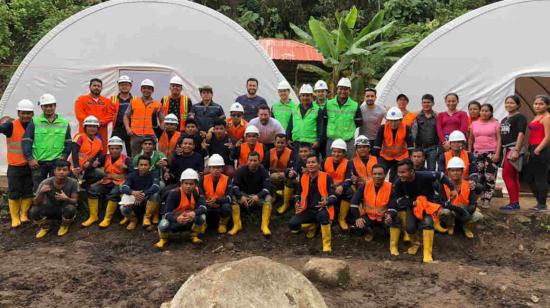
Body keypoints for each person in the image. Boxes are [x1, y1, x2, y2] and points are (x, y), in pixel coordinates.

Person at [392, 159, 455, 263]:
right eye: (399, 172)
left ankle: (427, 253)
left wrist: (452, 188)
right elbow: (399, 199)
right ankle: (415, 244)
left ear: (412, 171)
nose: (400, 175)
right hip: (413, 205)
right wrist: (411, 203)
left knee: (427, 223)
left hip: (429, 205)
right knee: (410, 228)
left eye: (403, 172)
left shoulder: (423, 175)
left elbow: (441, 175)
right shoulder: (398, 183)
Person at [22, 94, 72, 193]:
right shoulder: (35, 121)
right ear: (41, 107)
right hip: (38, 163)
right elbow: (26, 141)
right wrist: (30, 159)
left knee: (56, 188)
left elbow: (68, 142)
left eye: (51, 105)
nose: (49, 108)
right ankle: (39, 208)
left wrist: (64, 156)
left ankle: (54, 208)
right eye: (46, 106)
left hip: (56, 163)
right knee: (38, 188)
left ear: (55, 106)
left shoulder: (64, 122)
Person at [288, 155, 336, 253]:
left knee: (323, 217)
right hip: (307, 210)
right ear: (306, 165)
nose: (311, 164)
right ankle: (314, 226)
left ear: (318, 164)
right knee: (292, 225)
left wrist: (326, 202)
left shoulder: (327, 177)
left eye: (313, 162)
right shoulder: (303, 177)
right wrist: (297, 201)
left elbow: (333, 196)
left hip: (322, 209)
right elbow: (298, 193)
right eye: (308, 162)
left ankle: (327, 244)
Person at [1, 99, 35, 228]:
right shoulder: (10, 125)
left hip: (30, 165)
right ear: (18, 113)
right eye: (23, 113)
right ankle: (14, 217)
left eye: (28, 113)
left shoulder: (34, 125)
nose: (26, 115)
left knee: (28, 191)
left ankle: (23, 214)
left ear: (32, 114)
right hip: (15, 165)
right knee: (14, 192)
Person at [155, 168, 207, 248]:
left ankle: (193, 235)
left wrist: (194, 213)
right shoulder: (173, 193)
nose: (188, 186)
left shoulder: (198, 191)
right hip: (174, 219)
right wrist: (177, 218)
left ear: (196, 184)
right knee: (163, 224)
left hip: (189, 217)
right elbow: (167, 213)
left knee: (202, 217)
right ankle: (163, 239)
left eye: (191, 184)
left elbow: (203, 207)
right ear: (181, 183)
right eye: (186, 183)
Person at [89, 136, 132, 228]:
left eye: (117, 148)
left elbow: (133, 174)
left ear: (121, 149)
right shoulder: (105, 157)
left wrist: (126, 168)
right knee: (93, 190)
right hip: (106, 181)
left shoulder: (126, 159)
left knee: (113, 194)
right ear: (109, 149)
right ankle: (93, 217)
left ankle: (107, 218)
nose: (114, 151)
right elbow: (94, 166)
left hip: (120, 182)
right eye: (112, 148)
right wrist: (93, 165)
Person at [350, 164, 399, 244]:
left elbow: (393, 207)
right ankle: (370, 231)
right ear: (371, 174)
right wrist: (357, 218)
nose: (377, 176)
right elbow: (353, 204)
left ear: (384, 174)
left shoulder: (390, 187)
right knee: (357, 227)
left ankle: (384, 235)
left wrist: (389, 215)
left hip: (384, 216)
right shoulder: (365, 185)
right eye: (375, 174)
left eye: (380, 174)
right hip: (369, 216)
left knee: (394, 223)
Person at [29, 160, 78, 238]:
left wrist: (66, 198)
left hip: (63, 209)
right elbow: (35, 202)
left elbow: (75, 201)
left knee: (71, 208)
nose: (61, 172)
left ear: (69, 171)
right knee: (34, 211)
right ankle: (45, 226)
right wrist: (41, 192)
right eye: (59, 170)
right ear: (54, 171)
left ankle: (64, 225)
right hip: (49, 209)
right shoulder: (45, 182)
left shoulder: (73, 182)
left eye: (64, 170)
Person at [72, 116, 106, 227]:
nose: (92, 128)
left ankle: (85, 185)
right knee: (73, 188)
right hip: (74, 168)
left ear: (97, 128)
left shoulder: (98, 141)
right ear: (85, 127)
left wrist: (93, 163)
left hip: (86, 169)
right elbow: (74, 151)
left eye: (94, 126)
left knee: (100, 174)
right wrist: (76, 167)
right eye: (89, 126)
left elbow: (99, 156)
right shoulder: (80, 136)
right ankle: (74, 210)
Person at [229, 151, 272, 236]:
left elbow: (268, 187)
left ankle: (264, 226)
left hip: (257, 196)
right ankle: (237, 225)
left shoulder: (264, 171)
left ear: (259, 161)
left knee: (269, 198)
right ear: (247, 161)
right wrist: (240, 196)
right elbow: (234, 186)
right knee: (233, 197)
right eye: (250, 160)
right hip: (244, 196)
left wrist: (258, 196)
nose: (252, 163)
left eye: (255, 160)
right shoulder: (241, 170)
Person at [440, 157, 483, 238]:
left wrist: (465, 213)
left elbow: (473, 203)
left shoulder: (469, 184)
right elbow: (442, 202)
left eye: (458, 170)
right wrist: (456, 210)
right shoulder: (443, 185)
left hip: (465, 210)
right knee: (444, 212)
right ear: (448, 172)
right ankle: (450, 225)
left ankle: (466, 227)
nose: (455, 173)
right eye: (452, 170)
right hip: (451, 212)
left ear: (462, 171)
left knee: (479, 216)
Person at [468, 104, 501, 209]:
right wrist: (469, 152)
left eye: (487, 111)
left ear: (491, 112)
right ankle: (480, 198)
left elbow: (499, 139)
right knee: (479, 177)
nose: (484, 113)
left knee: (490, 177)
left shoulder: (495, 123)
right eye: (482, 110)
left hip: (491, 153)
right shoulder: (474, 124)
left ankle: (487, 200)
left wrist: (497, 153)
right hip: (477, 153)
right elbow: (470, 139)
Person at [131, 137, 167, 228]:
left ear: (154, 145)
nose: (148, 146)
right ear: (142, 146)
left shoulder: (159, 155)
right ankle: (147, 215)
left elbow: (166, 162)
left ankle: (154, 214)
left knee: (160, 186)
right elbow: (136, 173)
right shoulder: (137, 158)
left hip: (156, 181)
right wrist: (155, 166)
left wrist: (164, 164)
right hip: (142, 182)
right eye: (145, 144)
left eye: (150, 144)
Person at [499, 95, 527, 211]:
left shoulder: (520, 117)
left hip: (513, 149)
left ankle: (514, 202)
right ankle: (515, 202)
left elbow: (521, 133)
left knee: (507, 175)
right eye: (507, 102)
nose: (509, 105)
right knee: (513, 176)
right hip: (506, 149)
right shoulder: (504, 119)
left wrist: (516, 150)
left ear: (518, 105)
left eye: (512, 103)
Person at [372, 107, 414, 182]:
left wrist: (410, 160)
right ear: (387, 120)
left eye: (396, 121)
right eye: (391, 121)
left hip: (401, 156)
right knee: (379, 175)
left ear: (400, 120)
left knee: (397, 179)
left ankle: (395, 192)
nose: (393, 123)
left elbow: (410, 146)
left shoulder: (406, 128)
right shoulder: (383, 128)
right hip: (385, 156)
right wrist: (376, 159)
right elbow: (377, 145)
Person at [124, 79, 164, 156]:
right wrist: (128, 129)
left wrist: (159, 134)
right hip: (135, 135)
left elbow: (162, 121)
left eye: (149, 88)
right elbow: (126, 116)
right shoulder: (134, 102)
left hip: (151, 136)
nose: (146, 90)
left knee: (151, 157)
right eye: (144, 88)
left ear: (152, 90)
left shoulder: (157, 104)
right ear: (141, 89)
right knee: (135, 157)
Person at [324, 78, 362, 158]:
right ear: (337, 89)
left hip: (348, 141)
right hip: (332, 140)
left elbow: (359, 123)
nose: (343, 91)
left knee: (349, 164)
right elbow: (324, 121)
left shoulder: (355, 105)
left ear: (349, 91)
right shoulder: (328, 104)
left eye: (346, 89)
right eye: (340, 89)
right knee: (330, 163)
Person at [120, 156, 160, 230]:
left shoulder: (154, 174)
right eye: (141, 165)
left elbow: (156, 186)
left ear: (150, 166)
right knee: (122, 208)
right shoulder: (132, 175)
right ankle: (133, 220)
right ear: (137, 166)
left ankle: (147, 218)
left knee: (155, 195)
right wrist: (133, 193)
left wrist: (143, 194)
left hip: (146, 199)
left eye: (146, 165)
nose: (143, 167)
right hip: (134, 199)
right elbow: (124, 186)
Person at [74, 78, 113, 153]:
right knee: (83, 150)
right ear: (90, 87)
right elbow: (79, 114)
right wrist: (92, 123)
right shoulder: (81, 99)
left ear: (101, 88)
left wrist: (102, 122)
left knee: (101, 151)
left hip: (101, 131)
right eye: (94, 85)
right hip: (85, 131)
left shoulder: (107, 101)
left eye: (99, 86)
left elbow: (110, 114)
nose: (96, 87)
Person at [525, 95, 550, 211]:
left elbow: (548, 136)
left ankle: (542, 204)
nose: (537, 106)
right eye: (536, 103)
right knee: (529, 177)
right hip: (532, 148)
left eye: (541, 104)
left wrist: (539, 148)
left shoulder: (547, 117)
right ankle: (539, 202)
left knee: (540, 177)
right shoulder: (537, 116)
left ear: (547, 105)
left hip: (541, 149)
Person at [323, 139, 354, 231]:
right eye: (334, 151)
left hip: (341, 188)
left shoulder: (348, 163)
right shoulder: (325, 161)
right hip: (327, 187)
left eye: (339, 152)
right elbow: (320, 175)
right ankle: (329, 218)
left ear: (344, 153)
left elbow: (349, 179)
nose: (336, 154)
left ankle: (342, 218)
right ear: (331, 152)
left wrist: (341, 186)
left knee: (349, 192)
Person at [286, 84, 323, 153]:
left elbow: (320, 128)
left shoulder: (317, 110)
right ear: (300, 97)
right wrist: (288, 138)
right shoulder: (294, 109)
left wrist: (318, 141)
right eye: (303, 95)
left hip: (311, 144)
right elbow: (290, 125)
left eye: (307, 95)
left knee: (310, 163)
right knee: (297, 163)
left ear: (311, 96)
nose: (305, 97)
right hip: (296, 143)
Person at [200, 154, 232, 234]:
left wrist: (217, 200)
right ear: (209, 168)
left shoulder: (227, 179)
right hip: (207, 204)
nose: (216, 170)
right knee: (199, 205)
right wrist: (206, 201)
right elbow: (199, 195)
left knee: (227, 207)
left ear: (222, 169)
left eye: (218, 167)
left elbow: (229, 198)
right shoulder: (203, 178)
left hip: (220, 204)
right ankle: (203, 224)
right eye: (213, 167)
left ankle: (222, 224)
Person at [412, 94, 439, 170]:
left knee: (431, 169)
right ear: (421, 103)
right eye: (424, 102)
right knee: (418, 168)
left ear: (433, 103)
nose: (426, 104)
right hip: (419, 147)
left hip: (433, 147)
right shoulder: (416, 116)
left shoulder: (437, 116)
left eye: (428, 102)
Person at [269, 134, 295, 214]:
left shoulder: (291, 153)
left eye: (282, 142)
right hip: (273, 176)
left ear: (286, 143)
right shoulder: (269, 152)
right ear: (274, 143)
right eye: (278, 142)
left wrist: (284, 174)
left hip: (285, 176)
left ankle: (286, 200)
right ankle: (274, 195)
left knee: (292, 180)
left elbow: (292, 167)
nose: (280, 144)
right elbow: (264, 166)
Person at [111, 75, 133, 153]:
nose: (124, 86)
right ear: (118, 86)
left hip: (131, 129)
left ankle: (131, 165)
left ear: (130, 86)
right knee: (114, 150)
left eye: (126, 84)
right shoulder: (112, 99)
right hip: (117, 129)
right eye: (122, 85)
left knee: (131, 151)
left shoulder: (136, 100)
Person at [313, 80, 329, 158]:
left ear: (326, 92)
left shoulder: (331, 105)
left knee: (326, 159)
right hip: (315, 137)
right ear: (315, 93)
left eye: (323, 91)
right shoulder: (311, 106)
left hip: (328, 137)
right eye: (318, 91)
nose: (320, 93)